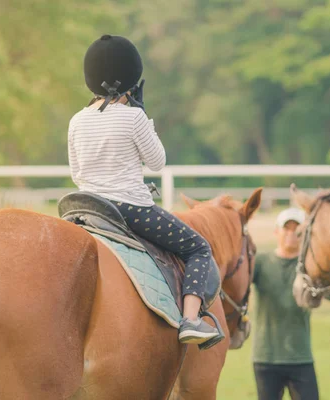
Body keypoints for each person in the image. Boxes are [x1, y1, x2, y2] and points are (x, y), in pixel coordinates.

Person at [67, 34, 223, 347]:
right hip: (128, 209)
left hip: (83, 207)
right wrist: (142, 116)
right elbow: (157, 162)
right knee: (198, 248)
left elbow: (76, 173)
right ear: (131, 81)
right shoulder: (134, 116)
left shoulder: (77, 120)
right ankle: (191, 319)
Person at [251, 207, 320, 400]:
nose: (291, 234)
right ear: (276, 231)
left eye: (296, 230)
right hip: (266, 356)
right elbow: (238, 287)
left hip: (301, 356)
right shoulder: (261, 262)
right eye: (286, 228)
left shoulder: (309, 265)